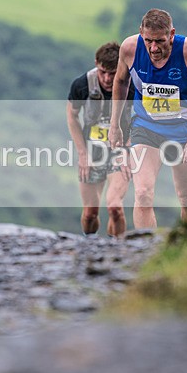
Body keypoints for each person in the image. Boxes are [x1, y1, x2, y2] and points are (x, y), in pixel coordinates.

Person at [108, 8, 187, 228]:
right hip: (146, 127)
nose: (153, 48)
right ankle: (146, 253)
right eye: (148, 40)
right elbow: (121, 82)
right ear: (140, 33)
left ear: (171, 34)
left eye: (160, 41)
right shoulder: (130, 48)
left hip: (184, 130)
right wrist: (115, 125)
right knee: (142, 193)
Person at [66, 42, 132, 236]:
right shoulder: (82, 84)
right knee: (89, 214)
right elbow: (71, 116)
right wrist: (82, 153)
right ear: (96, 64)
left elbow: (142, 119)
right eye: (103, 72)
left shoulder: (132, 84)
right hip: (92, 151)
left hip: (119, 150)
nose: (107, 78)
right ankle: (90, 248)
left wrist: (127, 151)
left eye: (113, 73)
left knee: (115, 208)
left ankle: (117, 253)